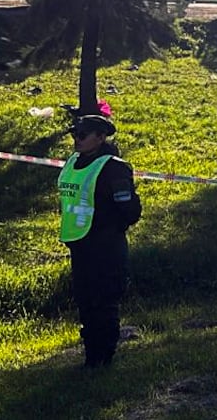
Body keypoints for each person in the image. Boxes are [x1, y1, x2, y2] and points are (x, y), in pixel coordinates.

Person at [57, 115, 142, 368]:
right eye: (75, 135)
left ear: (101, 137)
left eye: (83, 135)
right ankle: (91, 355)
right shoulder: (73, 162)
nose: (77, 140)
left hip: (106, 245)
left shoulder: (113, 168)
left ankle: (104, 356)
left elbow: (130, 209)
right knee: (85, 301)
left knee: (105, 301)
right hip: (79, 243)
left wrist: (113, 226)